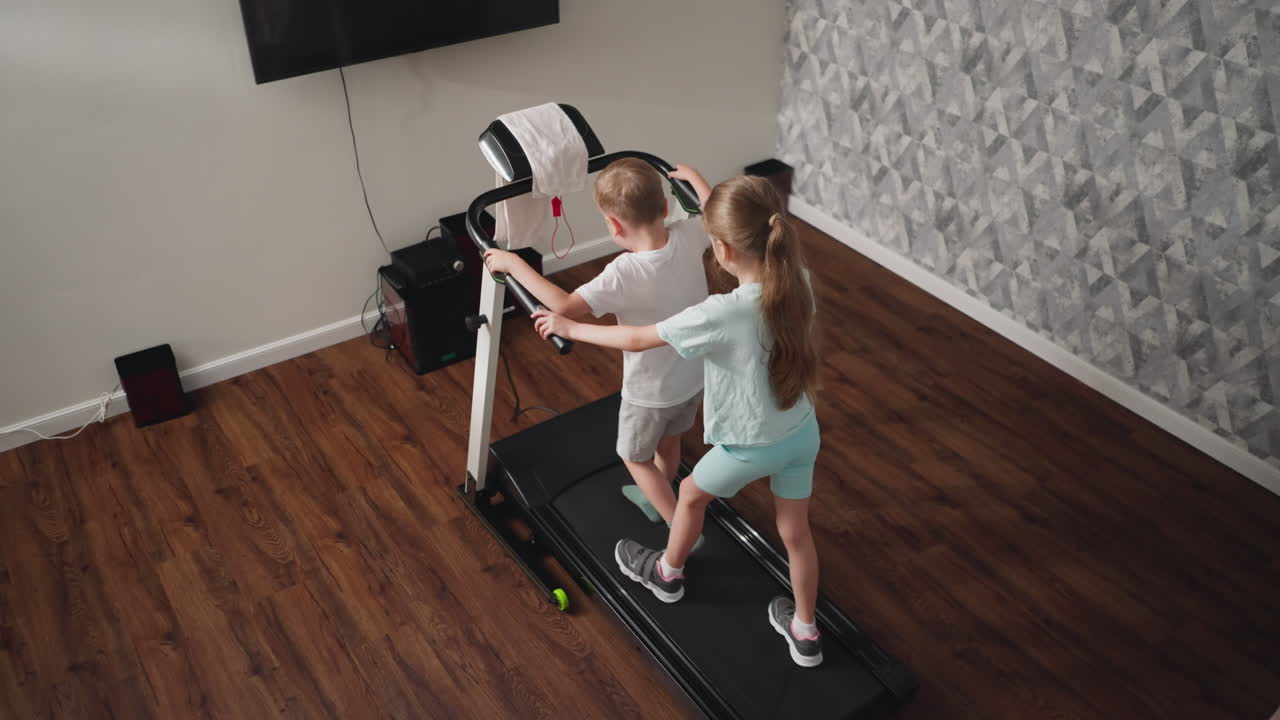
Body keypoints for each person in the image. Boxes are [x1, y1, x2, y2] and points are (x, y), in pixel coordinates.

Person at [531, 166, 826, 668]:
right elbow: (743, 228)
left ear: (724, 251)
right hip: (801, 433)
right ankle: (805, 631)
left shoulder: (721, 312)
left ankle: (667, 574)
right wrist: (703, 186)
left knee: (689, 496)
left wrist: (570, 329)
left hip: (746, 447)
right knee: (795, 533)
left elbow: (635, 338)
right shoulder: (796, 280)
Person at [484, 158, 709, 546]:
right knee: (669, 442)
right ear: (663, 208)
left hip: (649, 393)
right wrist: (697, 178)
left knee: (634, 457)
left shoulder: (623, 273)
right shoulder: (690, 234)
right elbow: (715, 213)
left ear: (614, 226)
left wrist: (514, 263)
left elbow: (563, 305)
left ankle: (680, 527)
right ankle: (657, 497)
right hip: (693, 378)